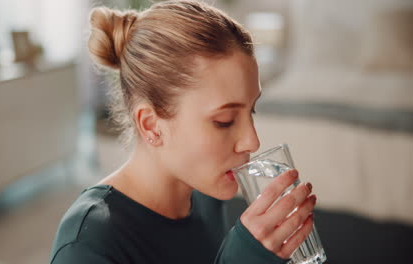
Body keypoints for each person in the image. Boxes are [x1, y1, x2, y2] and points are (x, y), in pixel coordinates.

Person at [49, 1, 316, 263]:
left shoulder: (205, 198)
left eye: (252, 111)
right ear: (150, 124)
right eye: (224, 120)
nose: (252, 141)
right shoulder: (88, 245)